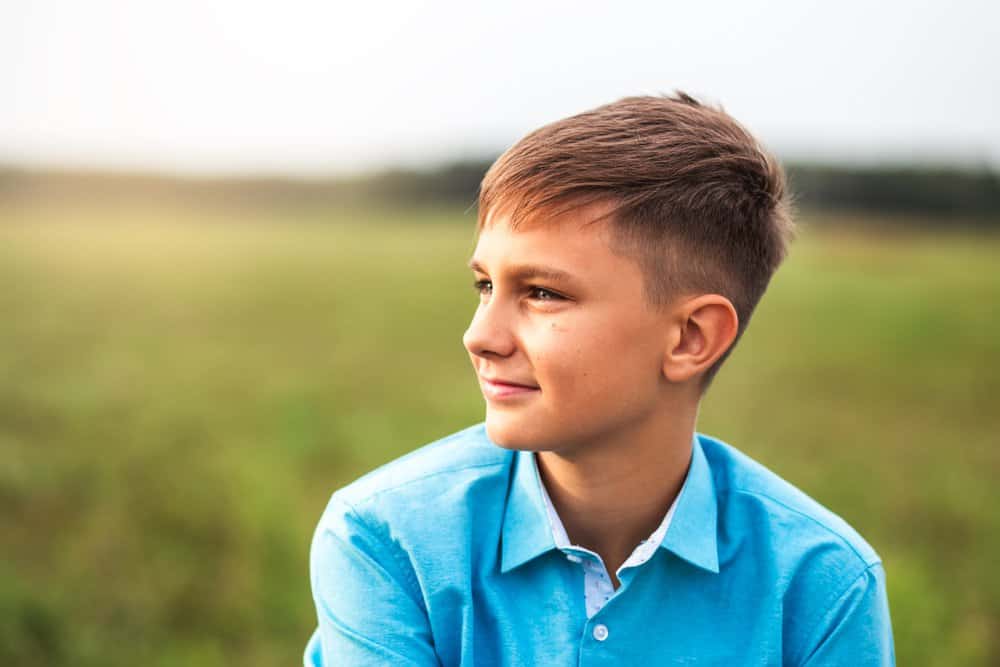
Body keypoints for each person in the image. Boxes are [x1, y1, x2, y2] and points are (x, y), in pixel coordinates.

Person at [303, 92, 895, 665]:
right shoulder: (385, 540)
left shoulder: (823, 582)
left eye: (542, 293)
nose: (480, 336)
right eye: (486, 286)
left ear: (691, 337)